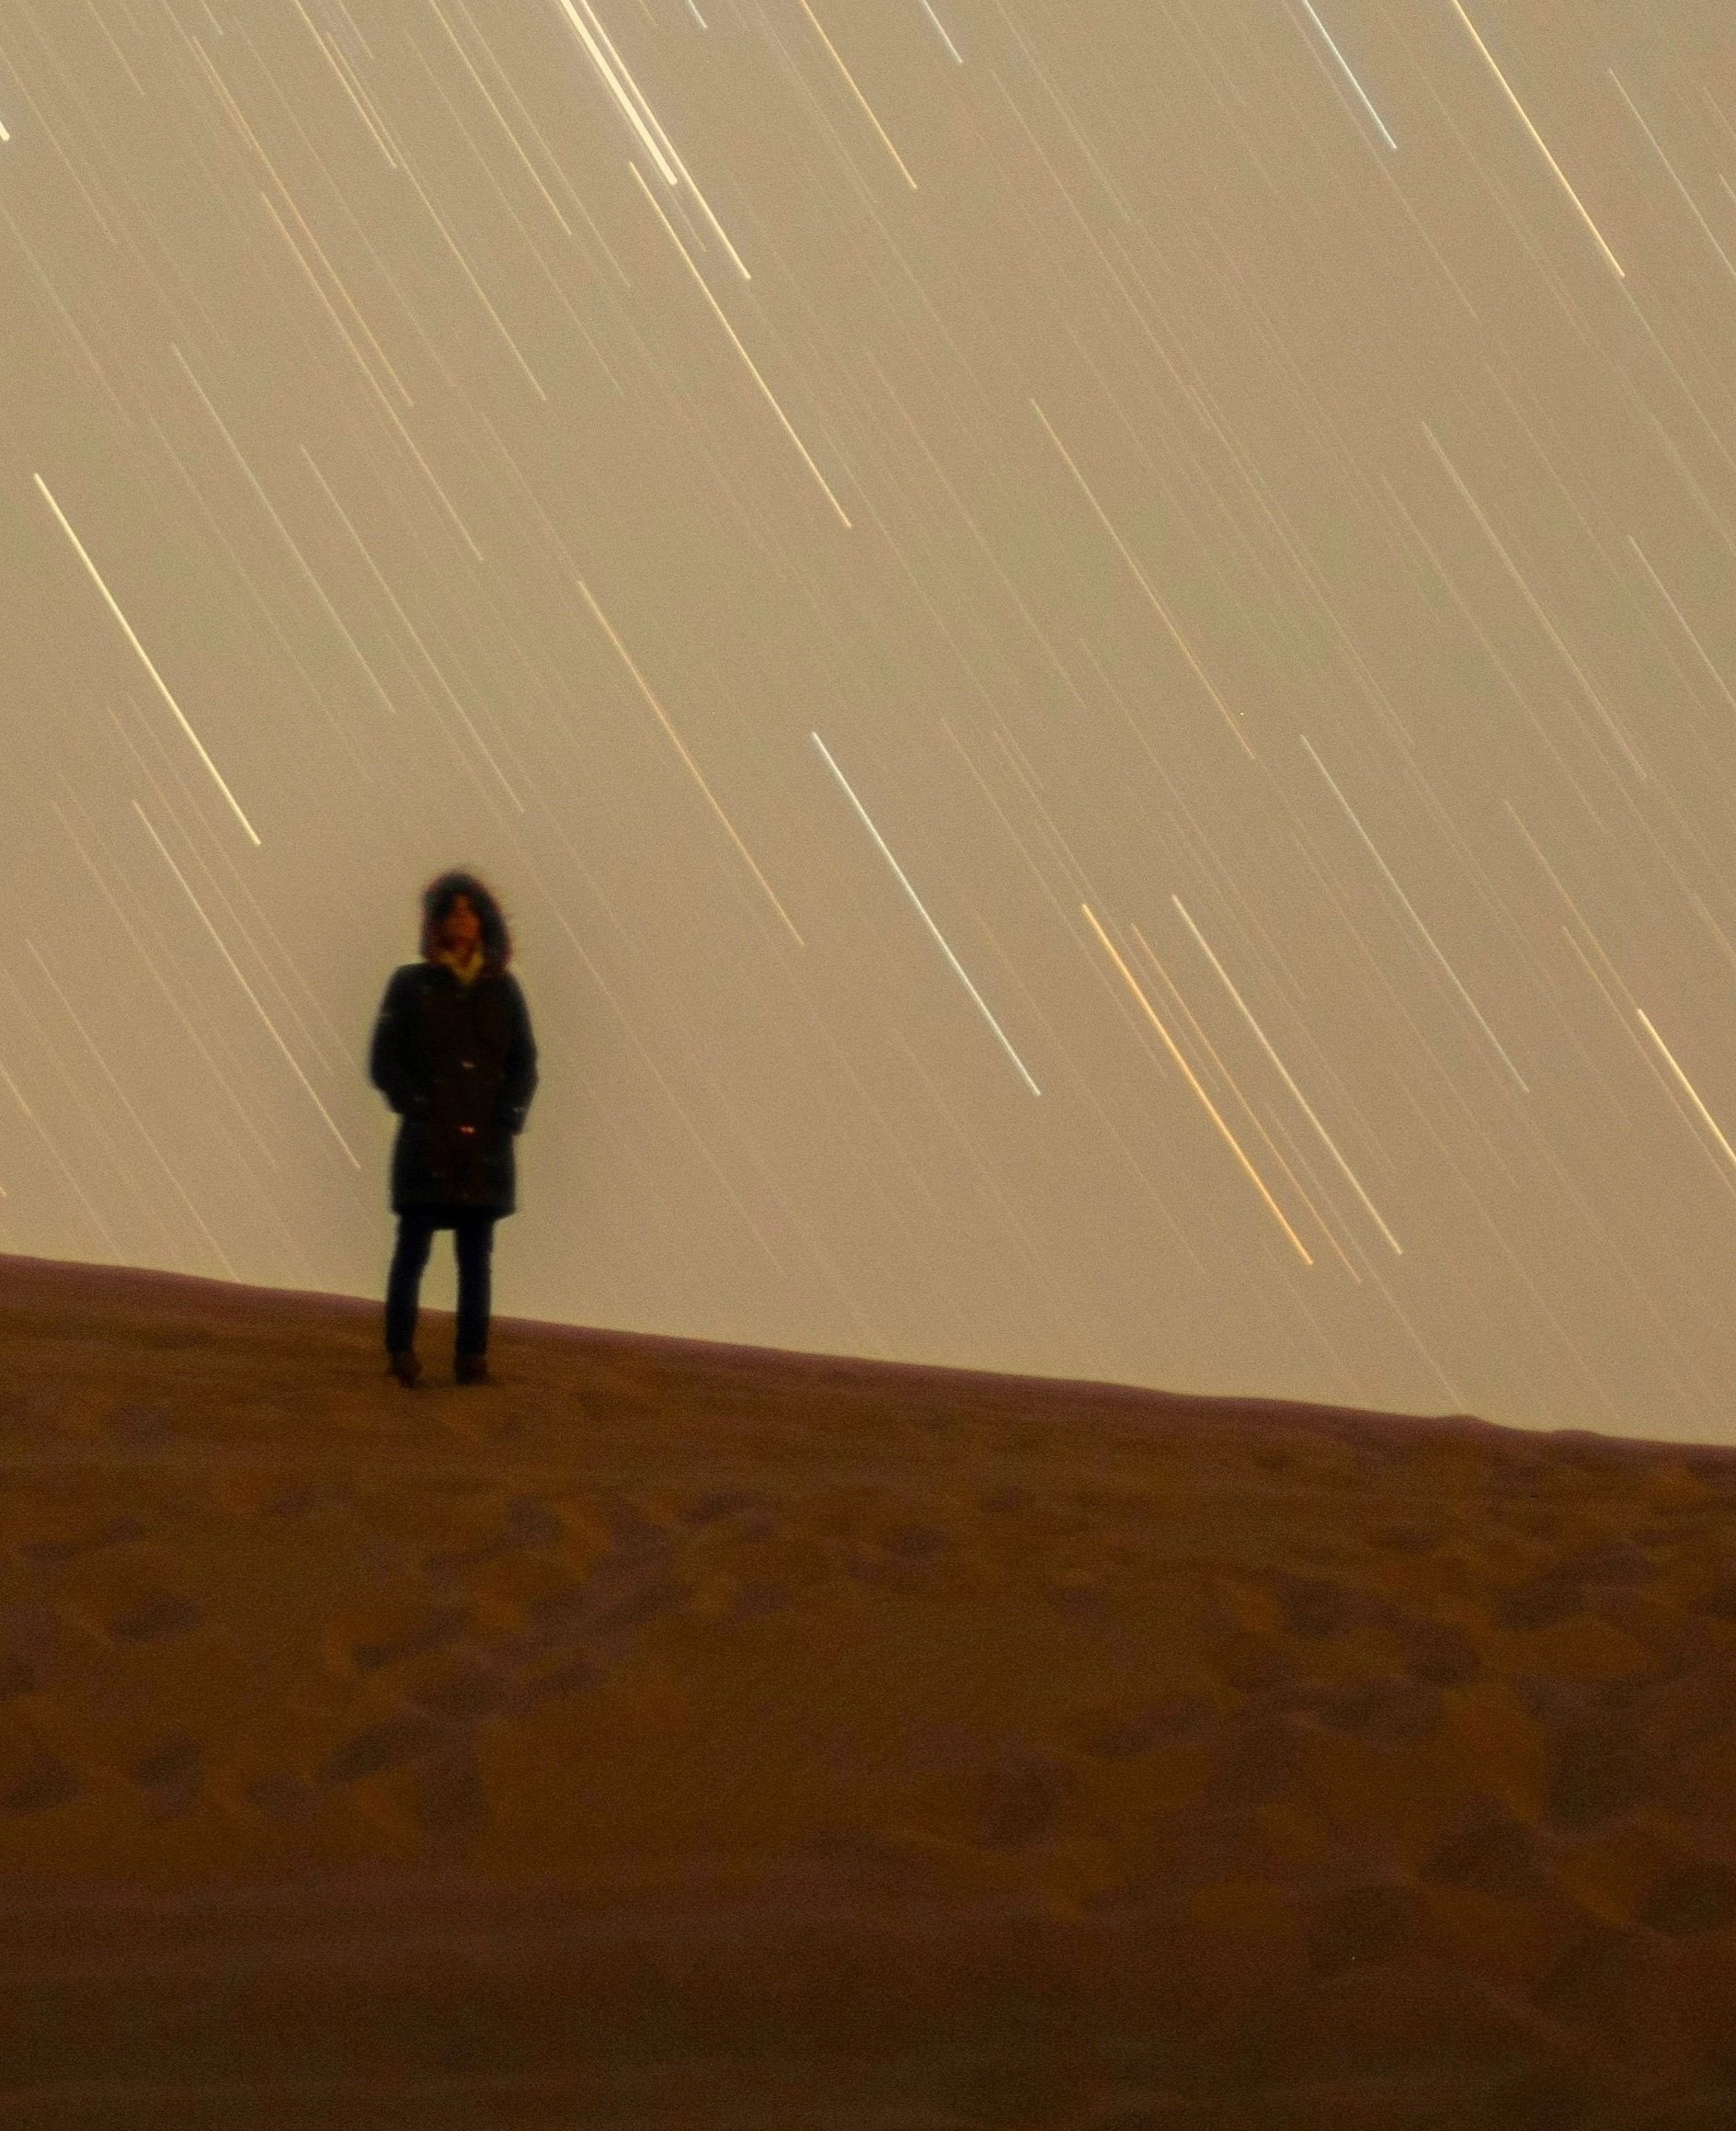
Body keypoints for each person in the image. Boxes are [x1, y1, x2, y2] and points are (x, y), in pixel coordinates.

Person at [368, 870, 538, 1387]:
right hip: (427, 1142)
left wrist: (506, 1120)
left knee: (475, 1255)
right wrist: (417, 1106)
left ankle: (472, 1358)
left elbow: (524, 1064)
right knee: (413, 1246)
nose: (459, 919)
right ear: (436, 922)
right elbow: (384, 1060)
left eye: (468, 909)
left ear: (484, 921)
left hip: (484, 1147)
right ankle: (400, 1351)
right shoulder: (410, 985)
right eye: (450, 909)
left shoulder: (503, 990)